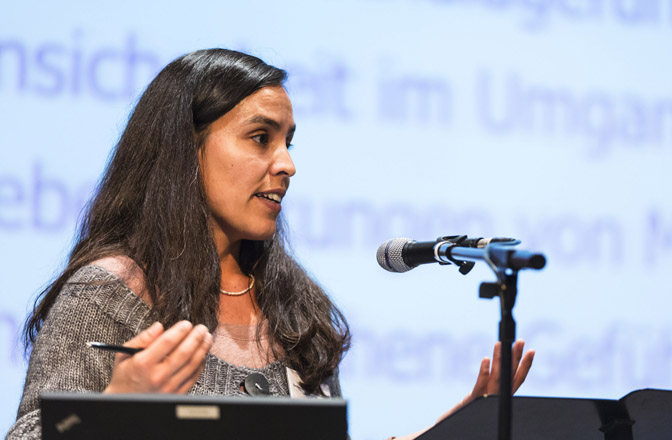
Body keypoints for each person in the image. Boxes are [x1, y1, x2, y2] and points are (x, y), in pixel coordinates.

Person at [6, 48, 534, 440]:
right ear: (184, 149)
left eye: (288, 142)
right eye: (261, 138)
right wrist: (115, 409)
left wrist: (452, 433)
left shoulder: (297, 303)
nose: (287, 164)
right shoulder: (111, 291)